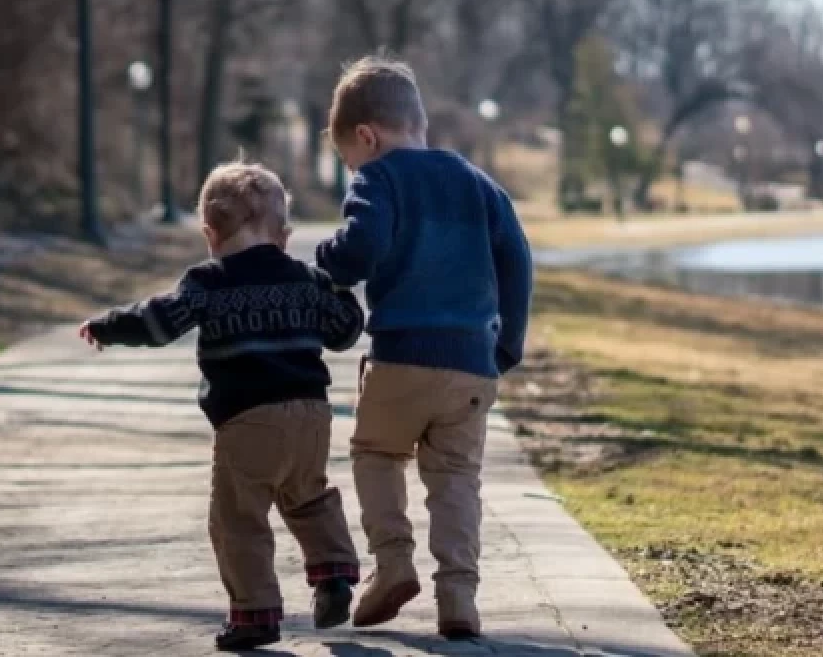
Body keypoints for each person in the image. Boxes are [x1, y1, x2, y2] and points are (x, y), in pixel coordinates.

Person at [79, 161, 364, 651]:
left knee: (239, 517)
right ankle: (334, 573)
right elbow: (344, 332)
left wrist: (108, 325)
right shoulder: (306, 279)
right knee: (309, 496)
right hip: (311, 417)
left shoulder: (207, 282)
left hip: (248, 418)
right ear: (284, 234)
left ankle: (255, 613)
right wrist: (344, 297)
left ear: (210, 233)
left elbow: (160, 322)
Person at [314, 54, 533, 640]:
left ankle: (392, 564)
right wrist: (505, 345)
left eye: (347, 159)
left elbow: (360, 248)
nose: (351, 168)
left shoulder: (378, 179)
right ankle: (458, 598)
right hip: (470, 364)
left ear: (367, 136)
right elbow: (518, 262)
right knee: (456, 478)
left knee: (377, 454)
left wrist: (328, 262)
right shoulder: (479, 184)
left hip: (400, 357)